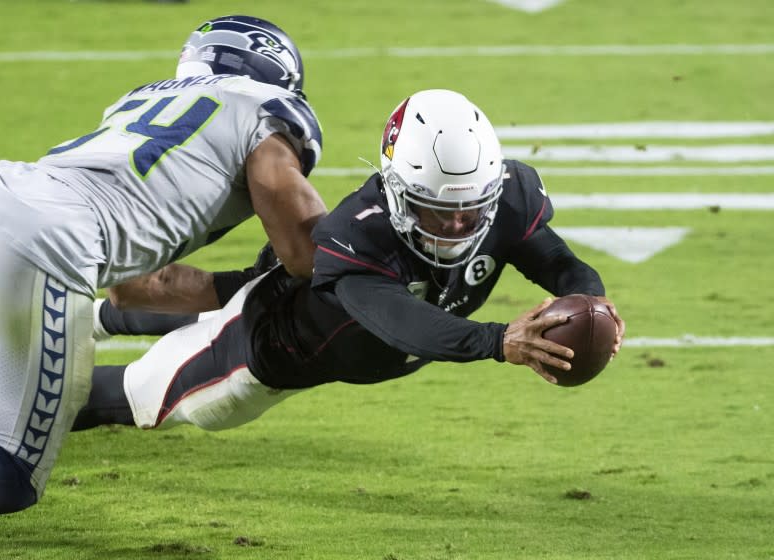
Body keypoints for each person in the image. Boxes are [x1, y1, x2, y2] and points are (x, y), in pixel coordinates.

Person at [0, 15, 326, 514]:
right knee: (4, 470)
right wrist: (327, 258)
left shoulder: (144, 98)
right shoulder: (266, 109)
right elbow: (297, 232)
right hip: (42, 241)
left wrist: (244, 285)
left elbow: (136, 288)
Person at [67, 89, 625, 438]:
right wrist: (498, 340)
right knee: (135, 394)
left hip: (300, 311)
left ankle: (87, 317)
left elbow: (559, 263)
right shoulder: (357, 236)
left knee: (202, 296)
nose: (458, 225)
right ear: (399, 192)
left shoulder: (506, 197)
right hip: (268, 349)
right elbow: (402, 322)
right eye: (437, 211)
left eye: (470, 209)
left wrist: (593, 301)